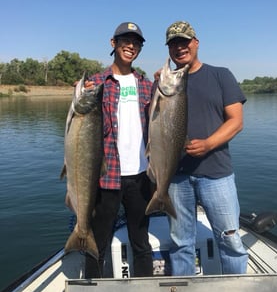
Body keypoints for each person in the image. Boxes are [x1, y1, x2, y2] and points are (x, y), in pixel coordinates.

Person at [164, 20, 248, 275]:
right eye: (173, 43)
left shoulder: (220, 75)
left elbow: (236, 122)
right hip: (176, 176)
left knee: (231, 240)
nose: (180, 47)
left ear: (196, 43)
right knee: (180, 243)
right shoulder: (166, 82)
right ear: (169, 49)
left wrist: (209, 143)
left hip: (217, 175)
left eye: (184, 41)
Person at [84, 22, 153, 278]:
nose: (131, 46)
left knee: (141, 243)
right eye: (126, 40)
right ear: (113, 43)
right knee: (97, 242)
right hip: (106, 176)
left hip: (141, 175)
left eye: (136, 42)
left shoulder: (147, 85)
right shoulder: (95, 84)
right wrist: (79, 94)